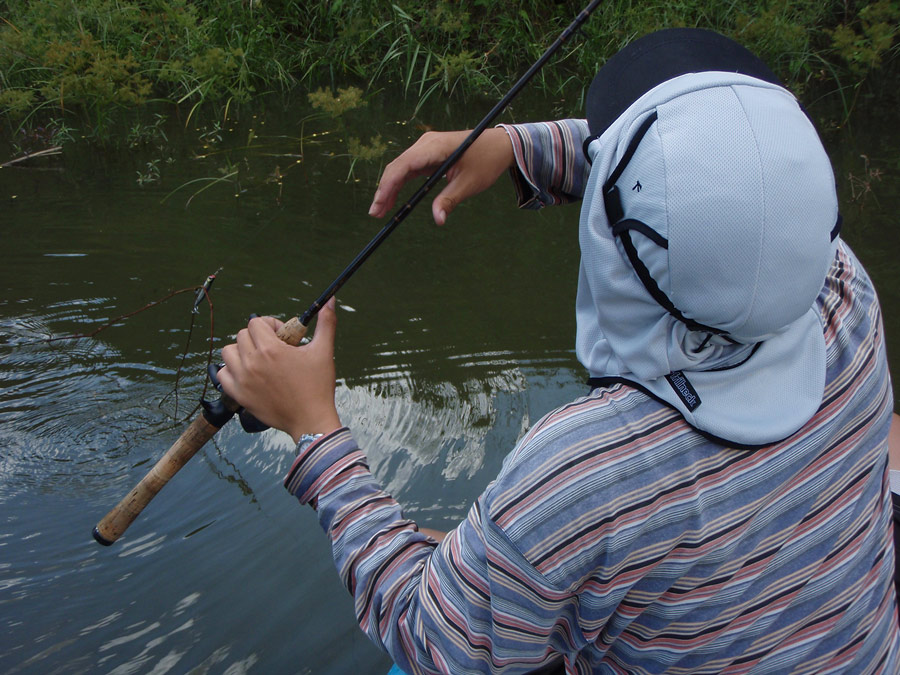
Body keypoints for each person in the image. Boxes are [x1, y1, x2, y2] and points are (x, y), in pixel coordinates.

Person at [218, 29, 899, 673]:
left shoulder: (581, 476)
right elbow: (732, 200)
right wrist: (515, 149)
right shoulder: (845, 295)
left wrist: (314, 427)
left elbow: (433, 641)